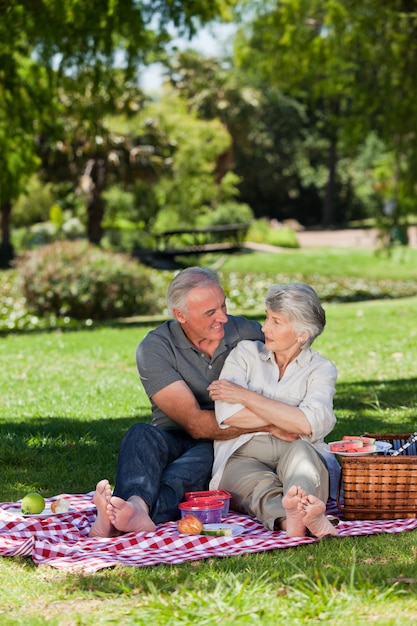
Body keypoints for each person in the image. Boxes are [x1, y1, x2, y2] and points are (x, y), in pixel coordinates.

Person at [89, 266, 269, 537]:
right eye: (210, 312)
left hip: (223, 441)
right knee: (139, 435)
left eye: (223, 306)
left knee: (195, 463)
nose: (222, 317)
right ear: (180, 315)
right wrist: (269, 422)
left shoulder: (248, 332)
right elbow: (195, 424)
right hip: (174, 435)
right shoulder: (155, 348)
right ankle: (133, 508)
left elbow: (294, 368)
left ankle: (130, 513)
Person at [207, 283, 340, 538]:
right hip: (242, 452)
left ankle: (299, 513)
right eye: (267, 317)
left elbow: (309, 424)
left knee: (303, 464)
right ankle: (294, 520)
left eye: (276, 321)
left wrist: (245, 395)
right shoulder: (244, 354)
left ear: (302, 333)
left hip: (297, 446)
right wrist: (279, 422)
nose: (265, 327)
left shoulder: (321, 368)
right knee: (259, 486)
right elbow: (229, 414)